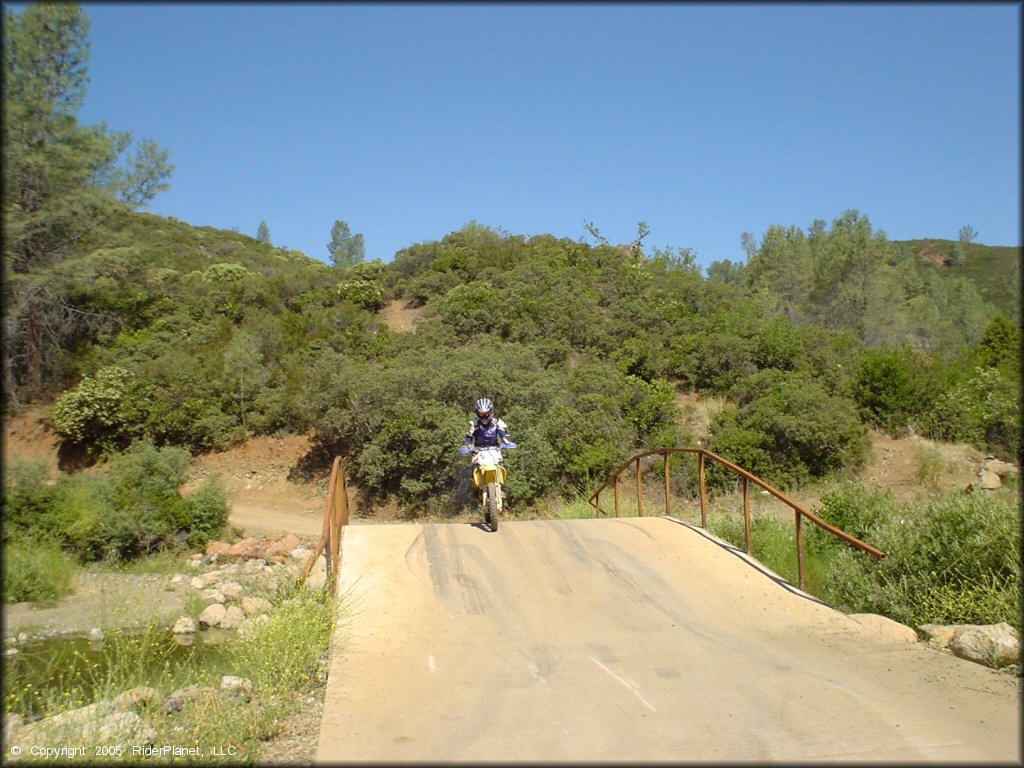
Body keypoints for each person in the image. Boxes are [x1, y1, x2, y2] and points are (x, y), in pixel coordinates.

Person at [461, 397, 513, 501]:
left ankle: (501, 488)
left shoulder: (497, 422)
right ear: (477, 413)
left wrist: (508, 442)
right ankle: (475, 490)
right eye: (481, 414)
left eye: (486, 413)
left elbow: (504, 434)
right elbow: (469, 436)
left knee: (502, 465)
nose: (484, 416)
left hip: (494, 449)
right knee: (473, 468)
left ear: (491, 411)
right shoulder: (474, 424)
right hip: (479, 450)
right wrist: (466, 446)